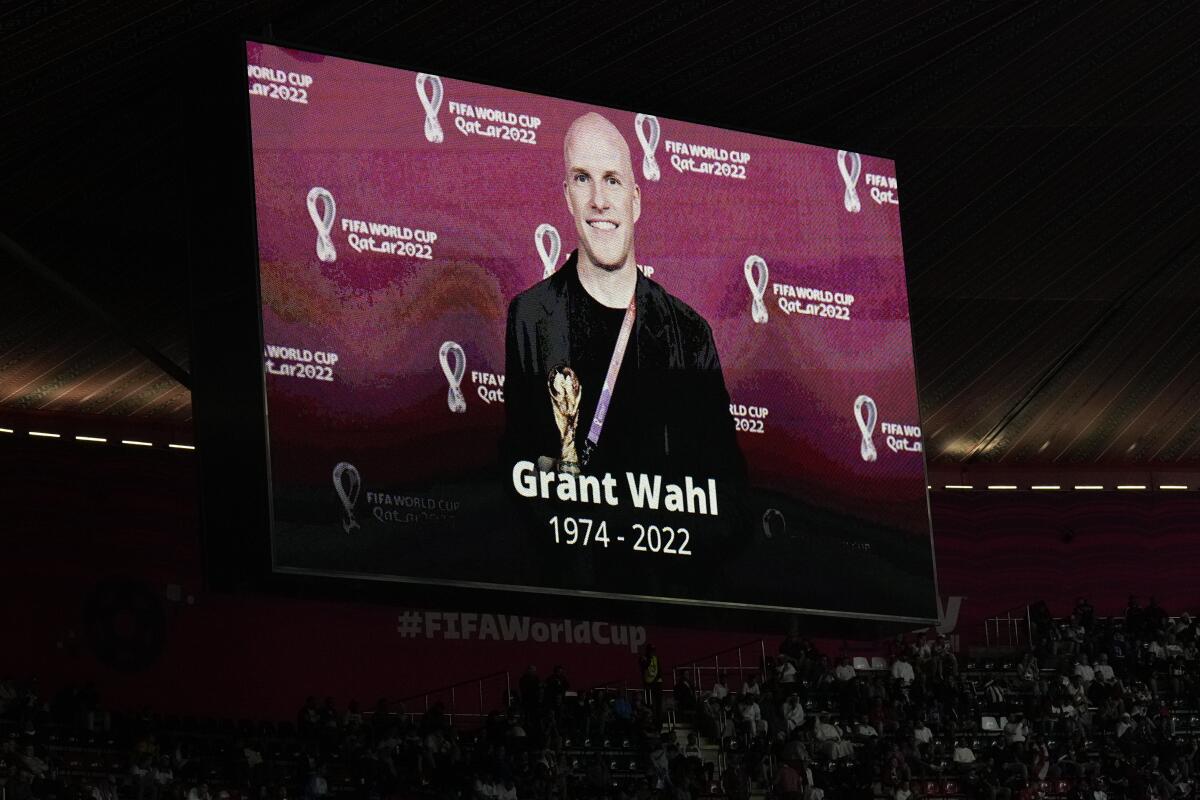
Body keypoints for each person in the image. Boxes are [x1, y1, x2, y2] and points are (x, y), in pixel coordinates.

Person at [503, 111, 745, 483]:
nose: (599, 200)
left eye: (612, 181)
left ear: (635, 200)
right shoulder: (530, 316)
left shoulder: (690, 333)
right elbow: (519, 472)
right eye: (583, 179)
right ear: (568, 195)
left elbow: (726, 488)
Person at [640, 643, 664, 728]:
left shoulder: (655, 658)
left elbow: (659, 670)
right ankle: (653, 722)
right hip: (648, 685)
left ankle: (659, 723)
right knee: (651, 705)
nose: (652, 652)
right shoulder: (644, 658)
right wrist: (648, 659)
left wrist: (659, 680)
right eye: (651, 650)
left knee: (659, 705)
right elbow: (644, 666)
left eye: (653, 650)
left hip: (656, 684)